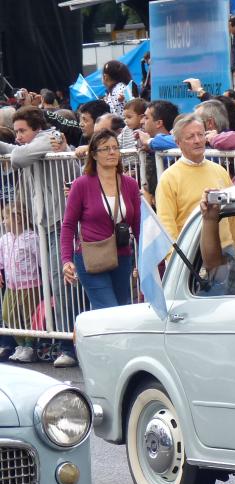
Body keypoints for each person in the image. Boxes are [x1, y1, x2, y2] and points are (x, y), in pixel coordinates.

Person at [0, 106, 81, 366]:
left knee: (62, 285)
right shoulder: (37, 144)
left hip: (61, 224)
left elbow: (19, 158)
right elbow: (18, 153)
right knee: (51, 285)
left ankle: (70, 346)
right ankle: (60, 343)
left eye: (22, 130)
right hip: (45, 225)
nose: (19, 136)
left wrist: (13, 150)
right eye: (16, 131)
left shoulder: (51, 137)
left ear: (37, 128)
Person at [60, 129, 141, 312]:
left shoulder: (130, 184)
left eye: (115, 148)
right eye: (105, 149)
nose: (112, 152)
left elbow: (137, 225)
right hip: (91, 256)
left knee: (121, 308)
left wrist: (144, 259)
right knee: (109, 310)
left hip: (122, 255)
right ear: (94, 155)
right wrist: (66, 260)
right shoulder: (82, 184)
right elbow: (68, 225)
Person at [155, 115, 235, 266]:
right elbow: (166, 226)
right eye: (190, 137)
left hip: (227, 252)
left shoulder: (220, 171)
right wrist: (177, 262)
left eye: (200, 134)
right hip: (191, 255)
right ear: (178, 142)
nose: (197, 140)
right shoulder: (169, 178)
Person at [0, 203, 41, 362]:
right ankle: (21, 344)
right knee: (8, 314)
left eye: (6, 218)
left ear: (17, 218)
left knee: (30, 317)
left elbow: (40, 260)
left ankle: (30, 347)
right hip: (11, 285)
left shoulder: (31, 237)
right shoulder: (4, 240)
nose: (3, 222)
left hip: (30, 284)